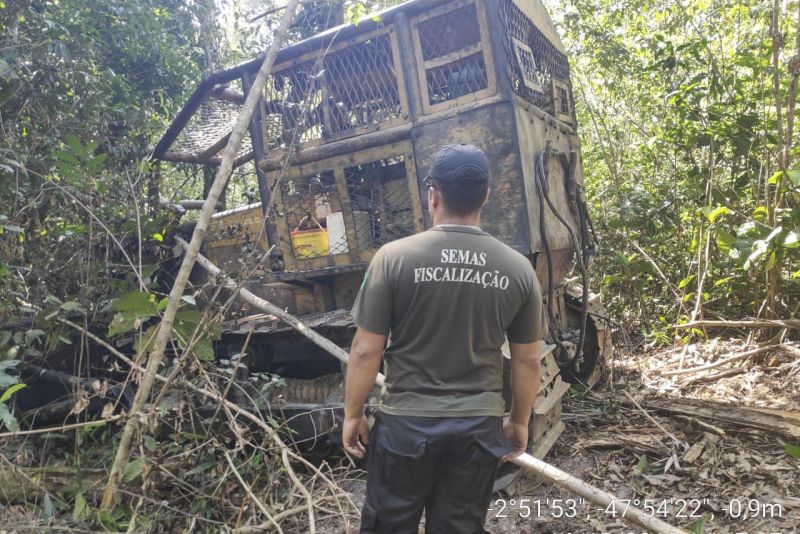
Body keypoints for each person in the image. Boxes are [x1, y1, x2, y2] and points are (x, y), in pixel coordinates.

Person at [342, 144, 547, 533]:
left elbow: (365, 351)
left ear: (433, 195)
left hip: (405, 427)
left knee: (388, 526)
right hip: (478, 428)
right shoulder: (518, 269)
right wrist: (519, 421)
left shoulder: (392, 258)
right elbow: (528, 360)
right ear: (486, 195)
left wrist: (353, 414)